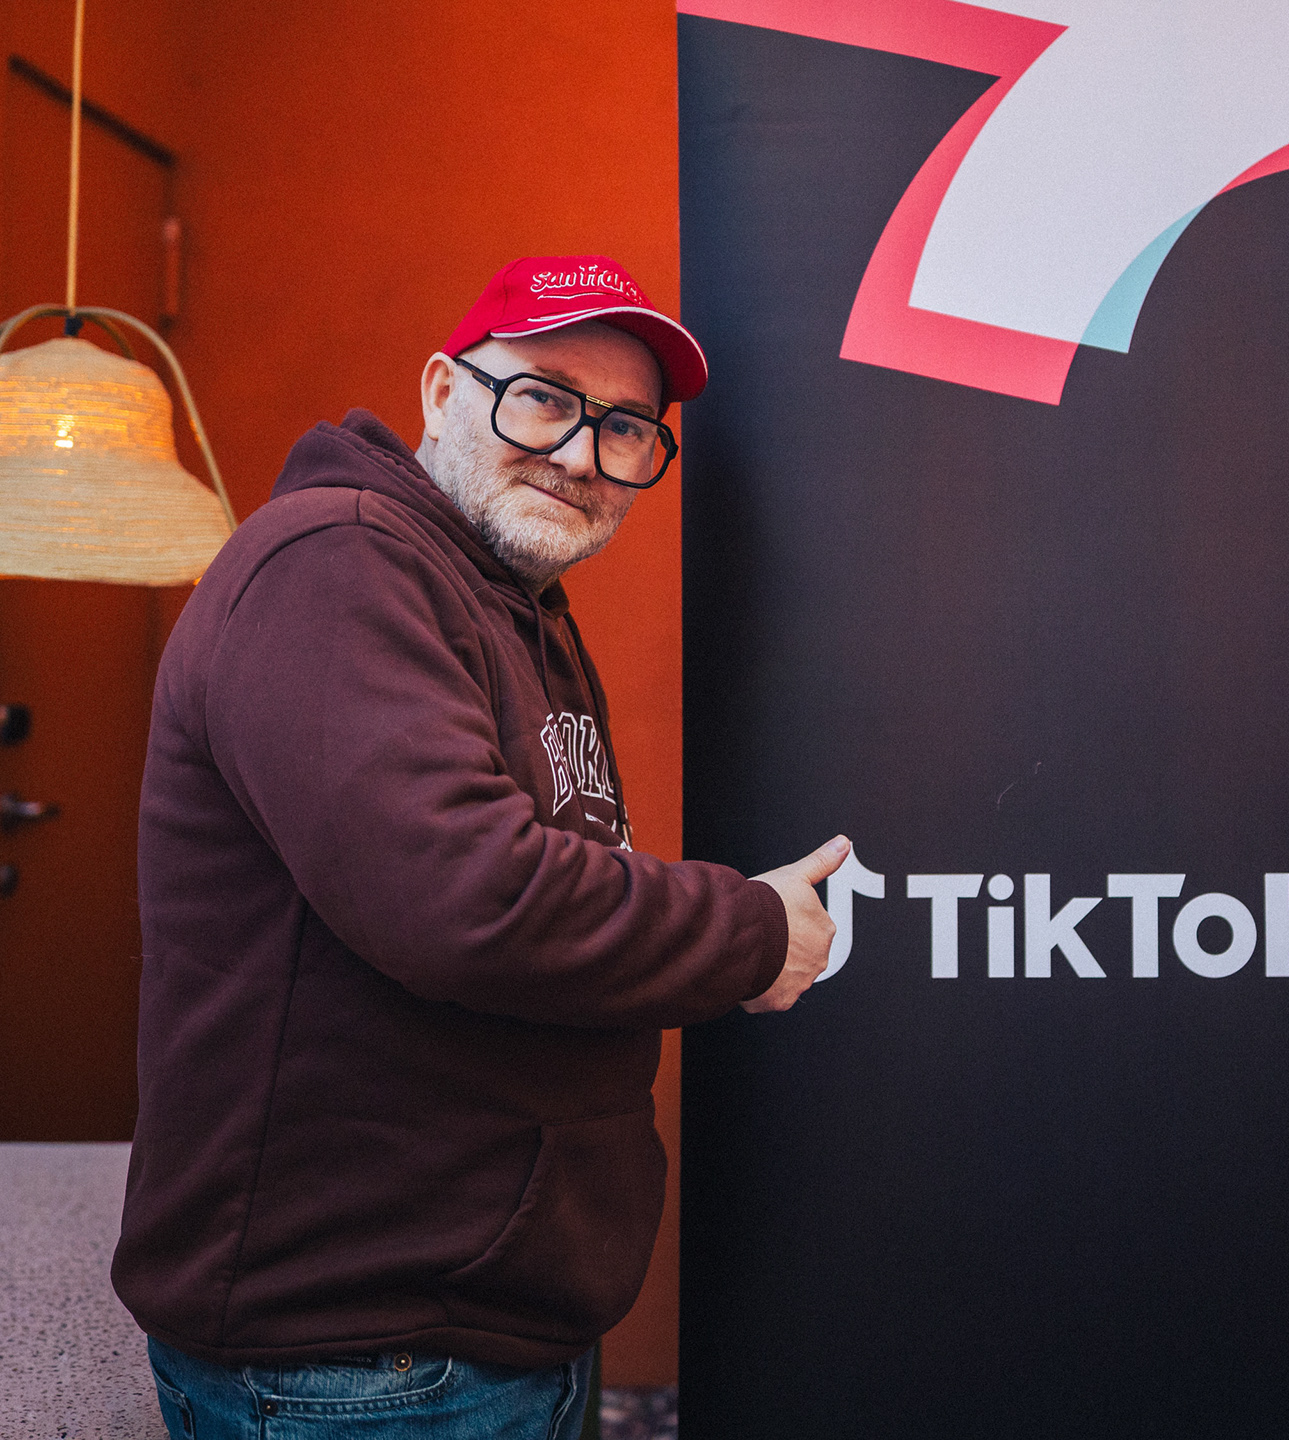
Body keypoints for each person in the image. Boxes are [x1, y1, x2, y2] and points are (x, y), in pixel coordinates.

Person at [112, 255, 846, 1438]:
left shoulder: (507, 600)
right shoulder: (335, 565)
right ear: (443, 392)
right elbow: (465, 897)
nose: (581, 455)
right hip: (361, 1362)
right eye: (544, 399)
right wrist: (751, 933)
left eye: (625, 429)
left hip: (476, 1330)